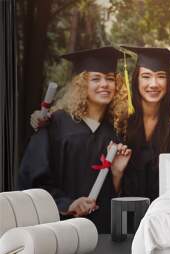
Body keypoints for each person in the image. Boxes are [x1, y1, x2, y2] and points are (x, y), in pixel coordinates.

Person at [18, 47, 132, 233]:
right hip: (59, 229)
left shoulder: (114, 133)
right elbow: (33, 180)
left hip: (100, 232)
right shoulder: (54, 124)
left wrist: (117, 174)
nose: (104, 84)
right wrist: (68, 204)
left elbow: (114, 196)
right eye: (95, 78)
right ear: (81, 84)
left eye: (110, 79)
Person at [117, 46, 170, 201]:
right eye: (146, 76)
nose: (154, 84)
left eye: (161, 76)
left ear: (169, 81)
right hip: (126, 215)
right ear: (136, 79)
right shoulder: (120, 125)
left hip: (165, 215)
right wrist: (117, 172)